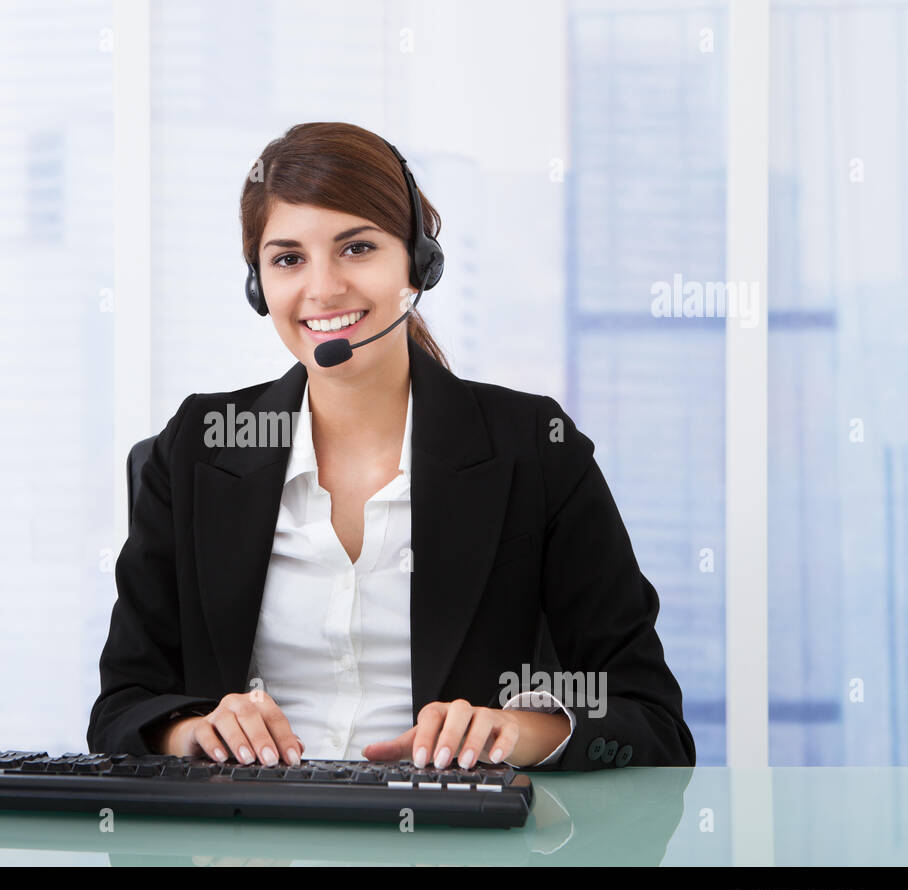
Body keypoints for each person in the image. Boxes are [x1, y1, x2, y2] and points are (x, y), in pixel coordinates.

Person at [87, 121, 695, 773]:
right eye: (289, 258)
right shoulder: (198, 449)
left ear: (418, 263)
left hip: (454, 843)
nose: (322, 289)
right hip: (250, 835)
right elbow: (122, 708)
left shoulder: (535, 450)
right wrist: (191, 733)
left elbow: (650, 719)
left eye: (356, 249)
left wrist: (513, 731)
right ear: (259, 285)